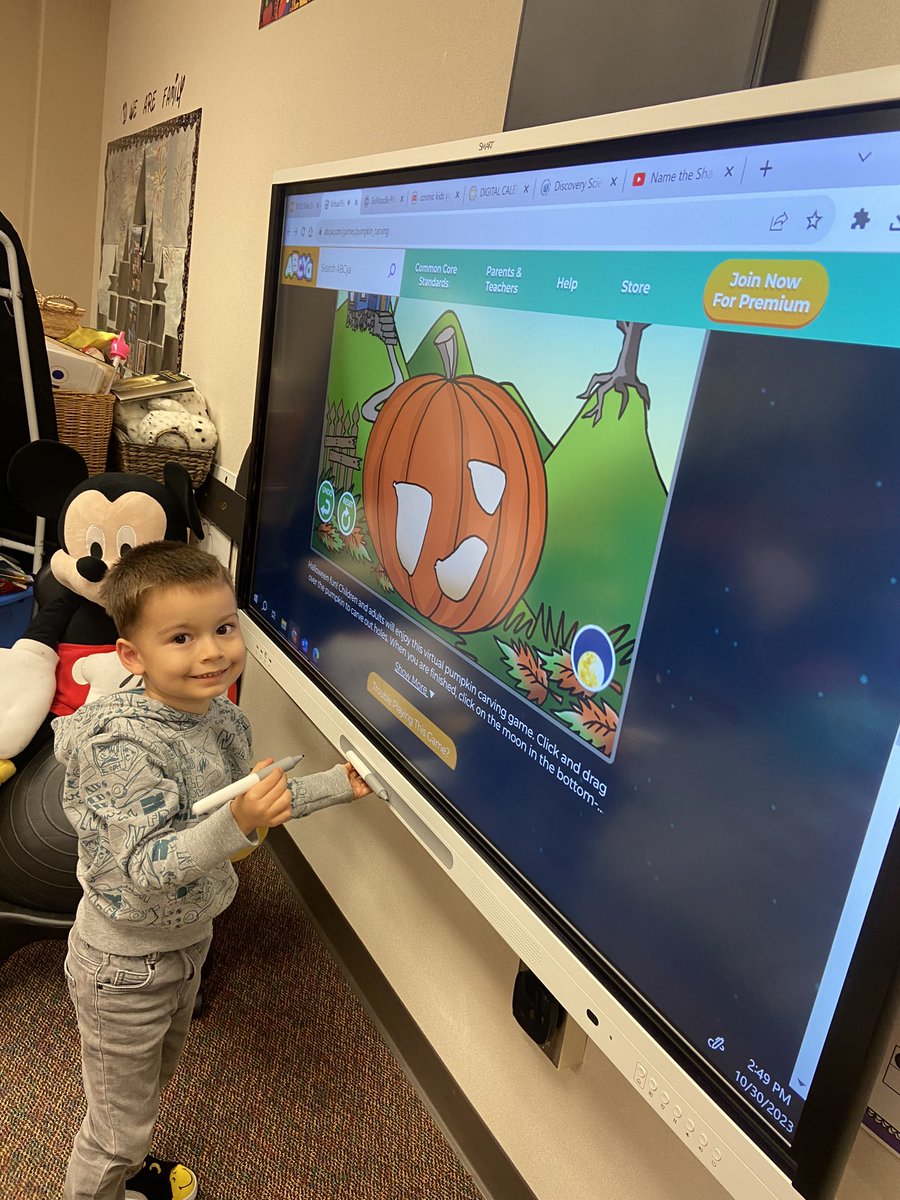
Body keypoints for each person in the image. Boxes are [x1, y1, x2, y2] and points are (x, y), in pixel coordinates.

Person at [54, 540, 370, 1200]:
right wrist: (241, 823)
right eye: (181, 637)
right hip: (124, 964)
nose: (211, 652)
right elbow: (146, 863)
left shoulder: (221, 717)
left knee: (148, 1087)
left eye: (224, 628)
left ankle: (128, 1168)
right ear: (132, 657)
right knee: (115, 1128)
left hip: (185, 941)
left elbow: (249, 802)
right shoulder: (124, 748)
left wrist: (337, 784)